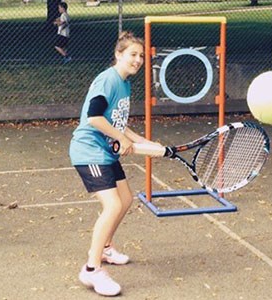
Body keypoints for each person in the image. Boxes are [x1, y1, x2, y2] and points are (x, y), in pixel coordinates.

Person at [69, 31, 159, 297]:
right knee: (113, 205)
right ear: (118, 55)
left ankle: (106, 248)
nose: (138, 60)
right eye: (133, 54)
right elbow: (94, 117)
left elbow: (117, 121)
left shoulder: (125, 84)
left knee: (126, 199)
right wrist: (121, 138)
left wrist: (142, 141)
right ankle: (91, 270)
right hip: (89, 151)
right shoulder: (108, 79)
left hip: (105, 152)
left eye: (141, 56)